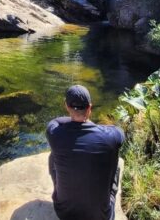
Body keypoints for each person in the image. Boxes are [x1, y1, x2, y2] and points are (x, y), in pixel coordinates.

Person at [46, 84, 125, 220]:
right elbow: (120, 132)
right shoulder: (110, 137)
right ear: (89, 107)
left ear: (66, 106)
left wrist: (74, 119)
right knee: (116, 161)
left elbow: (55, 121)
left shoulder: (54, 133)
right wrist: (89, 123)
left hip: (64, 213)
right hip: (101, 216)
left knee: (53, 156)